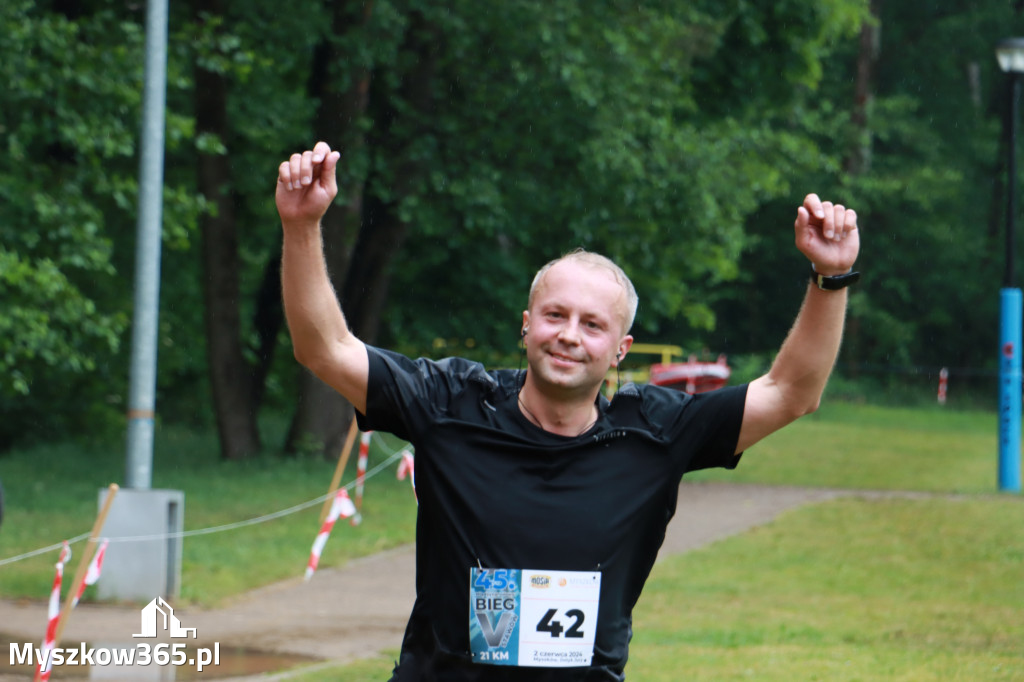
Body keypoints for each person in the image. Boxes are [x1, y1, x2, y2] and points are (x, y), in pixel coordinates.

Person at [275, 142, 860, 681]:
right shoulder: (448, 403)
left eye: (593, 324)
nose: (569, 336)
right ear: (527, 325)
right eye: (555, 316)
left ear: (620, 349)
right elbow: (323, 348)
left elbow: (792, 392)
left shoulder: (657, 433)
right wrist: (301, 226)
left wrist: (830, 278)